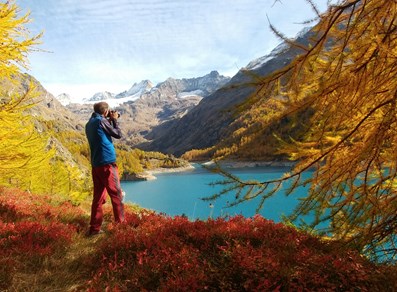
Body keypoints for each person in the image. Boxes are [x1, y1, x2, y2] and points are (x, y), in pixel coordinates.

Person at [85, 101, 125, 236]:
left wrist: (109, 119)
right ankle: (121, 227)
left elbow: (101, 128)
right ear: (106, 111)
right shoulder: (102, 121)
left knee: (98, 198)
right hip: (107, 163)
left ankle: (94, 229)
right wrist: (114, 120)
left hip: (96, 164)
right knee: (117, 195)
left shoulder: (90, 123)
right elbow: (118, 134)